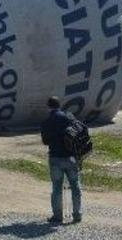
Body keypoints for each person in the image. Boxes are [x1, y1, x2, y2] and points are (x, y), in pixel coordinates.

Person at [40, 96, 82, 224]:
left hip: (55, 158)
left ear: (48, 107)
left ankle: (58, 216)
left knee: (57, 187)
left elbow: (45, 141)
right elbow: (79, 132)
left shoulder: (47, 121)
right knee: (75, 185)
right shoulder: (68, 118)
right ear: (60, 105)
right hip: (71, 157)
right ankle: (77, 215)